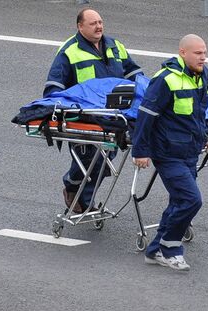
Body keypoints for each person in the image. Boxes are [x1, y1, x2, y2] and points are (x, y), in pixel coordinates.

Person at [44, 8, 143, 213]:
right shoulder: (69, 51)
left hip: (115, 115)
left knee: (106, 159)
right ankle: (74, 190)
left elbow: (134, 74)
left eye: (100, 22)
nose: (99, 26)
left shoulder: (115, 46)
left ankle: (82, 198)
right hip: (85, 118)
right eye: (93, 23)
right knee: (89, 159)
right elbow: (53, 89)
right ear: (80, 26)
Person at [132, 34, 208, 271]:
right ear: (183, 53)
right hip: (168, 152)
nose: (203, 57)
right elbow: (146, 115)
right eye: (198, 53)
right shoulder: (165, 80)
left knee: (179, 200)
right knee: (190, 199)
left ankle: (155, 250)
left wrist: (204, 135)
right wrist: (140, 151)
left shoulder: (201, 75)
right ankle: (170, 250)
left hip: (189, 150)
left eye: (205, 52)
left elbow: (198, 112)